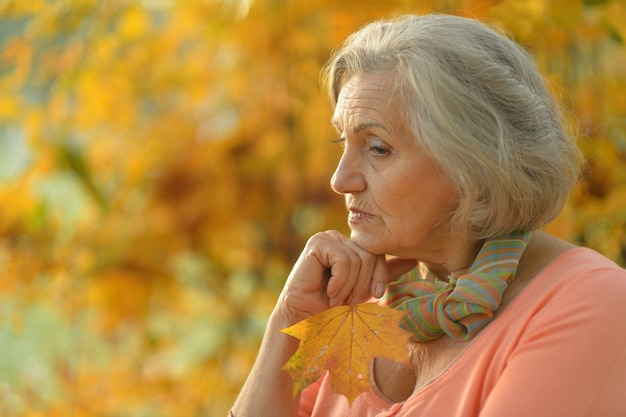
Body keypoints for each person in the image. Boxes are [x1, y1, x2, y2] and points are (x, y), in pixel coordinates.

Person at [230, 13, 626, 417]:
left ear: (474, 163)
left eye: (377, 148)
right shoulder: (361, 312)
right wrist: (288, 322)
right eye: (342, 141)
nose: (340, 179)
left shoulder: (593, 305)